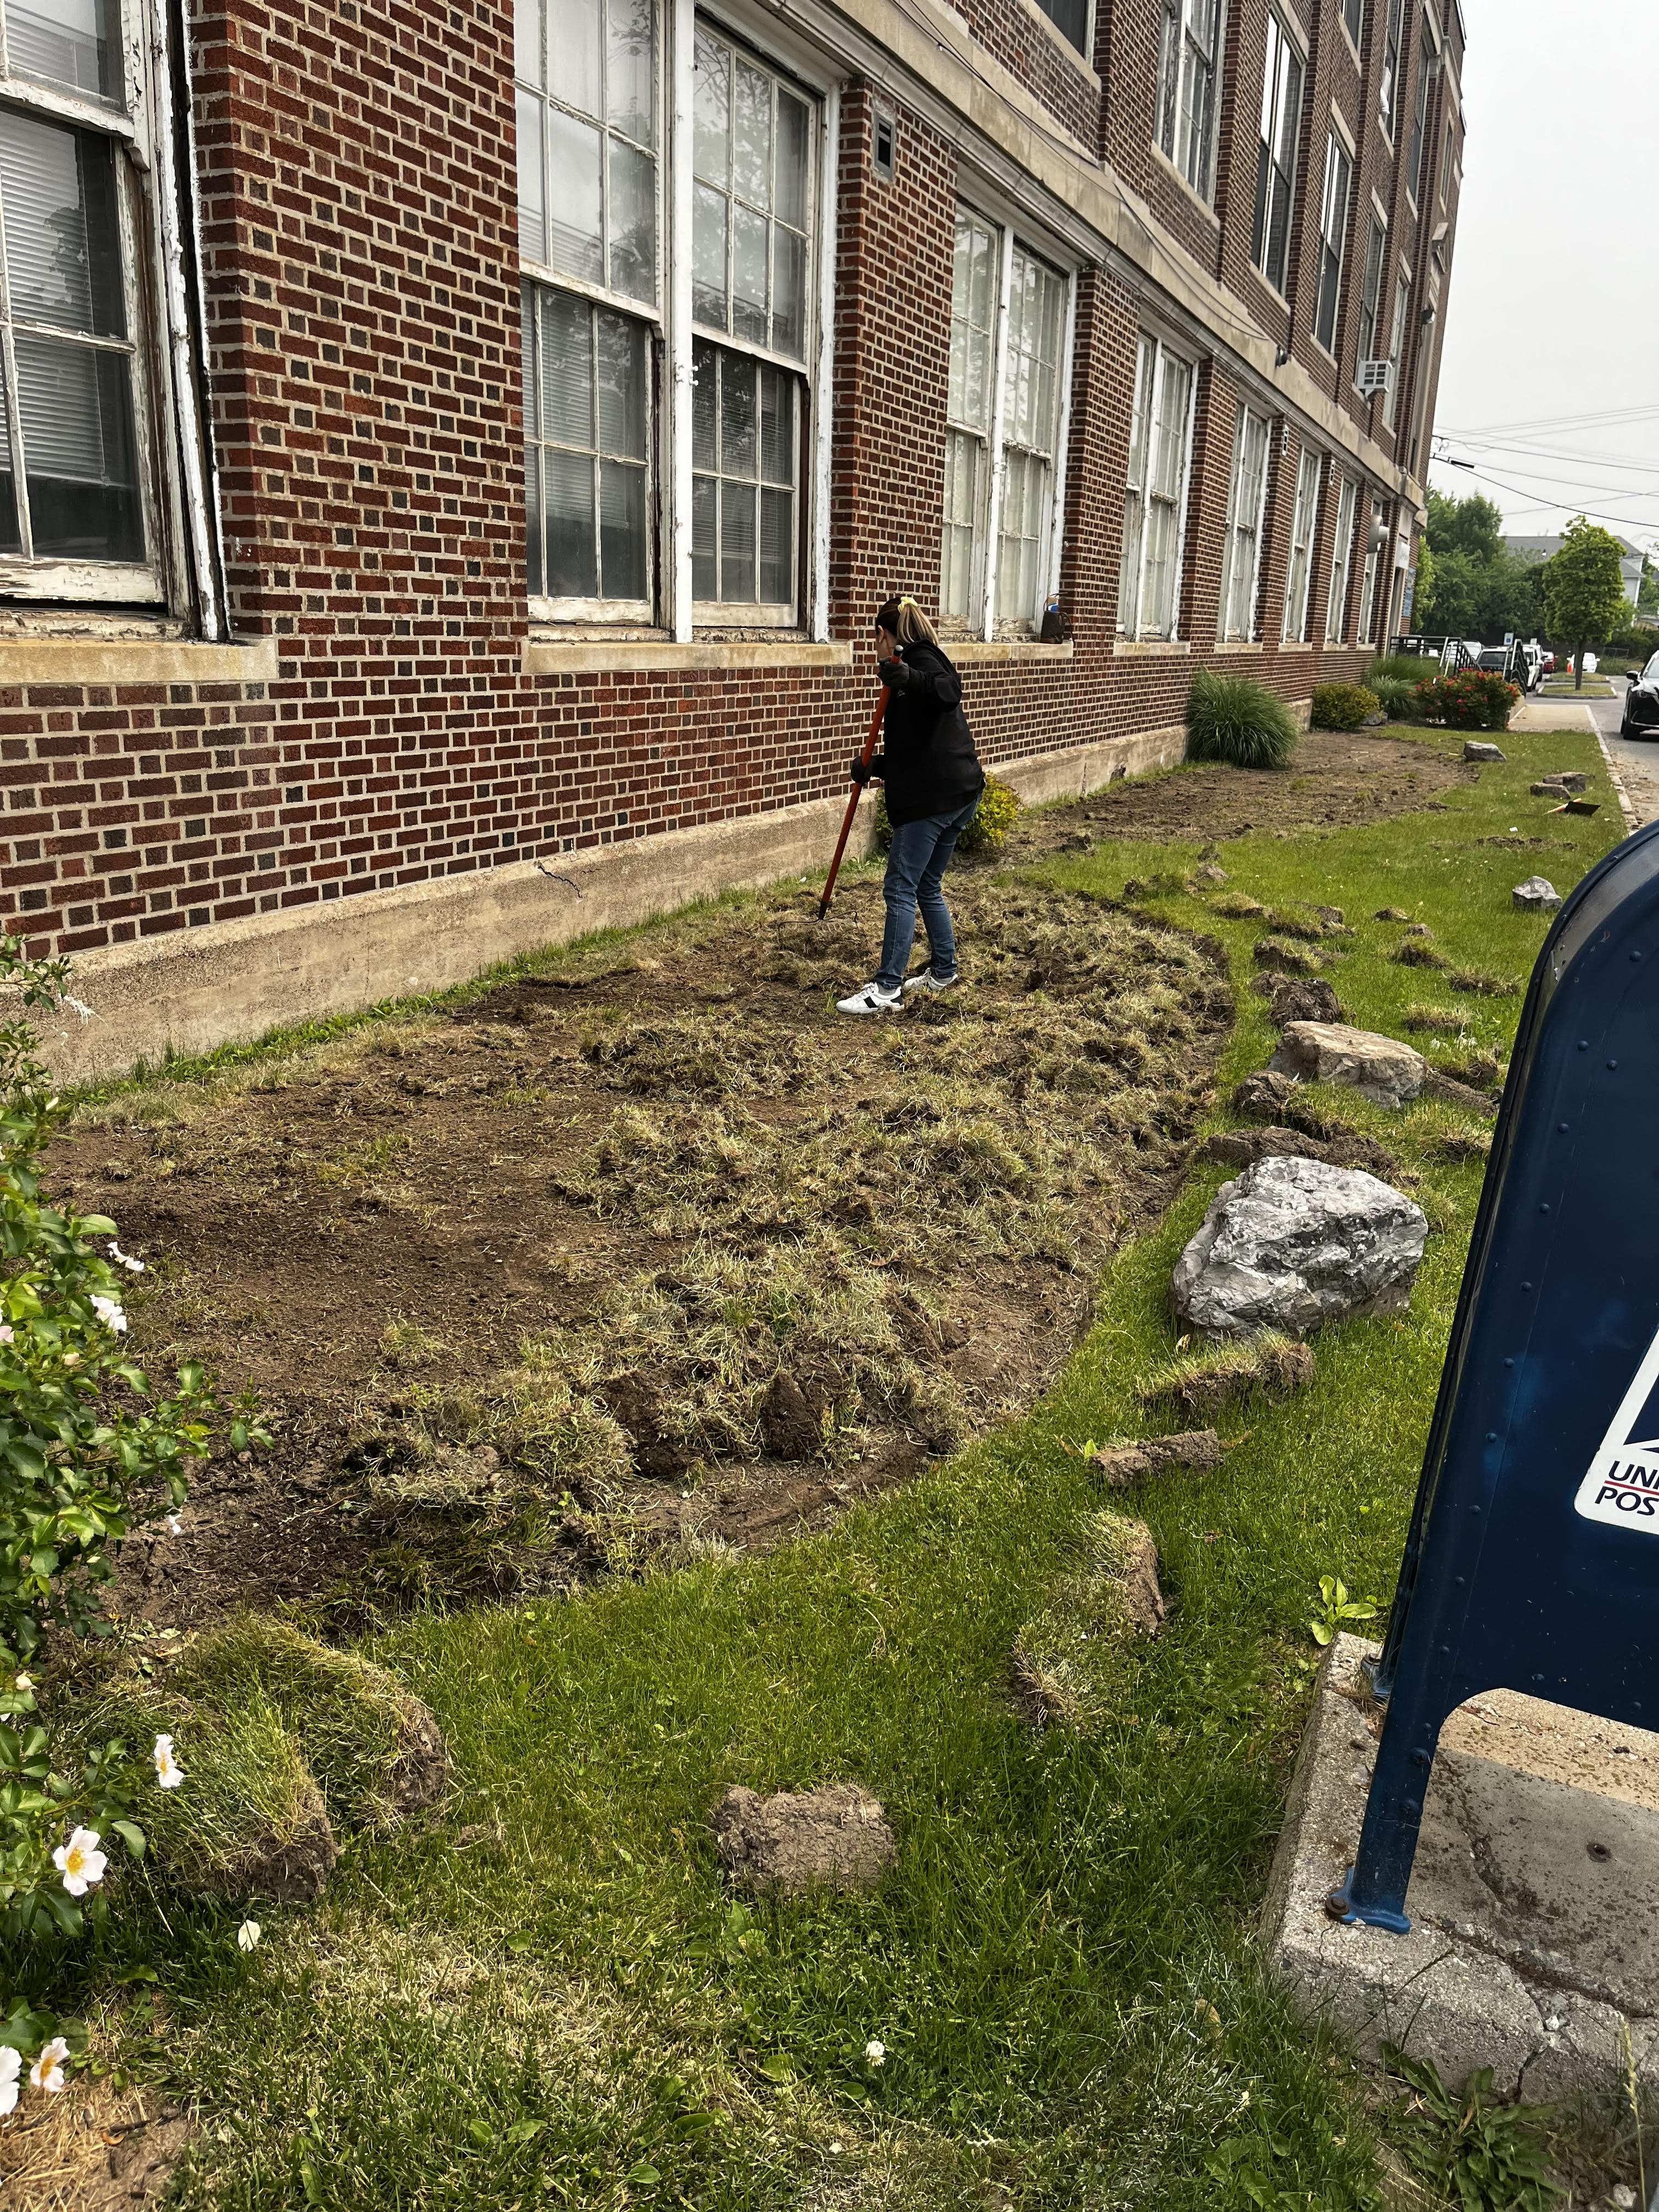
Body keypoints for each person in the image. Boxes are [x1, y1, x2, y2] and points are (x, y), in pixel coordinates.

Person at [836, 595, 985, 1016]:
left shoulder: (922, 660)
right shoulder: (915, 667)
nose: (877, 653)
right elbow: (919, 746)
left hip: (934, 801)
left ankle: (887, 990)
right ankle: (943, 971)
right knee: (926, 885)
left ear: (885, 636)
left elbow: (948, 691)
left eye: (876, 642)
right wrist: (875, 765)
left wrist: (906, 675)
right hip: (959, 792)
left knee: (900, 887)